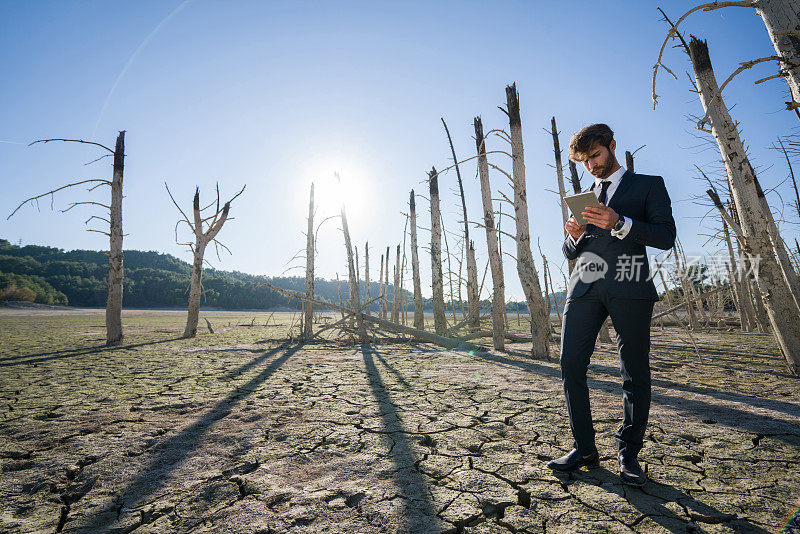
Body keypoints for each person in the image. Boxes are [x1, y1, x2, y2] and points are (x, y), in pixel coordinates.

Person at [546, 123, 676, 486]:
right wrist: (572, 237)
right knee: (570, 363)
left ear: (612, 146)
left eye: (596, 156)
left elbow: (666, 236)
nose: (592, 165)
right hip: (584, 287)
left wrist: (621, 223)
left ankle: (628, 453)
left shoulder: (649, 185)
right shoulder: (584, 196)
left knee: (634, 372)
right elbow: (571, 252)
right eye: (585, 161)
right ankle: (584, 447)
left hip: (630, 285)